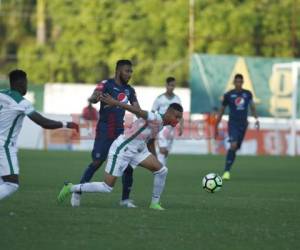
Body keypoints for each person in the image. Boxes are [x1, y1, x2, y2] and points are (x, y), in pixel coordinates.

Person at [57, 93, 183, 210]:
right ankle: (72, 188)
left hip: (138, 149)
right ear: (168, 112)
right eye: (176, 116)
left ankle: (154, 203)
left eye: (180, 118)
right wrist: (115, 102)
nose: (177, 120)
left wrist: (155, 160)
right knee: (107, 187)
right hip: (123, 149)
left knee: (161, 170)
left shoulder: (161, 124)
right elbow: (137, 111)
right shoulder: (155, 117)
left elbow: (150, 141)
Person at [0, 69, 78, 201]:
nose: (27, 86)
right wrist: (66, 124)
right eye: (26, 82)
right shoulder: (21, 102)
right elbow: (43, 122)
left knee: (2, 181)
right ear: (21, 82)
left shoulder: (1, 94)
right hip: (4, 147)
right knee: (11, 184)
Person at [71, 59, 140, 208]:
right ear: (118, 71)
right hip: (105, 130)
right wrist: (95, 97)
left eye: (131, 71)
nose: (130, 74)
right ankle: (77, 191)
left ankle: (125, 200)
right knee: (97, 162)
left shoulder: (130, 90)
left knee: (127, 165)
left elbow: (137, 109)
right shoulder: (106, 84)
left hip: (120, 131)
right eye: (127, 71)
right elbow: (95, 96)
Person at [214, 73, 259, 180]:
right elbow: (221, 110)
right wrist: (216, 125)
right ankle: (226, 172)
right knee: (233, 145)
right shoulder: (229, 95)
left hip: (244, 124)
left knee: (236, 148)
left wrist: (256, 119)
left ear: (242, 82)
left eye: (240, 81)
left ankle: (228, 167)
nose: (238, 83)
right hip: (233, 123)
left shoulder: (247, 94)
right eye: (237, 81)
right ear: (234, 82)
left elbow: (252, 107)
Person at [151, 77, 183, 167]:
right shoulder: (160, 99)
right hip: (162, 126)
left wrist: (181, 126)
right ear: (166, 85)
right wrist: (152, 125)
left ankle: (161, 169)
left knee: (166, 152)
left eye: (174, 86)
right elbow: (153, 112)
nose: (172, 87)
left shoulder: (177, 99)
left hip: (171, 128)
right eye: (170, 85)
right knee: (162, 149)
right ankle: (159, 169)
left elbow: (180, 114)